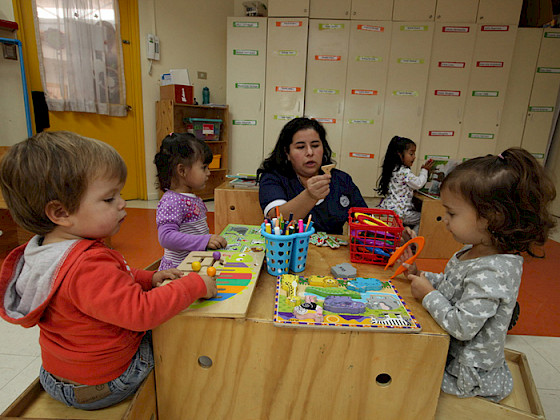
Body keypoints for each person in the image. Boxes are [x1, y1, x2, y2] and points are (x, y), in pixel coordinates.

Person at [0, 131, 218, 410]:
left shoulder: (46, 250)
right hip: (103, 384)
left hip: (56, 375)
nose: (122, 203)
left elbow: (112, 281)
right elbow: (141, 313)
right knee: (176, 334)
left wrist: (148, 277)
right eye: (108, 199)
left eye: (120, 194)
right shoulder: (87, 265)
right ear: (61, 213)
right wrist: (194, 285)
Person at [398, 148, 556, 402]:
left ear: (490, 218)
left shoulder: (494, 270)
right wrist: (421, 274)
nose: (445, 221)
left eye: (452, 213)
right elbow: (452, 287)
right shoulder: (471, 251)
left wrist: (428, 294)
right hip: (450, 350)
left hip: (468, 374)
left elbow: (462, 326)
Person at [257, 117, 367, 234]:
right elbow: (276, 218)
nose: (310, 152)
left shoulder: (341, 179)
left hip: (332, 250)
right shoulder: (274, 177)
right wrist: (310, 196)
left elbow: (365, 219)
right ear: (287, 153)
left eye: (315, 145)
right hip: (289, 249)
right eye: (300, 147)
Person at [154, 133, 227, 270]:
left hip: (194, 264)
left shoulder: (191, 198)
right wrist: (204, 241)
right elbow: (166, 237)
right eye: (204, 167)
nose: (208, 173)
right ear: (182, 171)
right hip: (179, 270)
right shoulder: (172, 201)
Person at [376, 136, 434, 229]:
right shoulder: (404, 171)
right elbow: (419, 183)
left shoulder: (393, 168)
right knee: (424, 218)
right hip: (400, 212)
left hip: (389, 209)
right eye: (411, 154)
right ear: (399, 154)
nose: (414, 157)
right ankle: (412, 241)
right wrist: (424, 170)